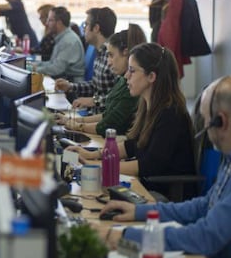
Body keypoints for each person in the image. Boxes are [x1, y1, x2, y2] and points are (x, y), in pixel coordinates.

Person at [99, 76, 231, 258]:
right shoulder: (228, 160)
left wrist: (124, 236)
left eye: (206, 123)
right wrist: (139, 211)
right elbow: (203, 205)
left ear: (222, 122)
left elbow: (205, 237)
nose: (205, 132)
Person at [67, 43, 196, 198]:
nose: (126, 76)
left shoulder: (170, 114)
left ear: (151, 77)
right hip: (144, 184)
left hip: (161, 194)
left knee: (93, 199)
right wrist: (91, 154)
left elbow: (148, 165)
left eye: (132, 71)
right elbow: (133, 146)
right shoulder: (149, 106)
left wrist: (99, 166)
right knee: (69, 164)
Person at [56, 24, 146, 137]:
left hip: (111, 138)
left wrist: (77, 126)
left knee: (69, 150)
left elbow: (109, 124)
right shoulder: (121, 80)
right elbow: (107, 115)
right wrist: (75, 121)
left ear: (125, 53)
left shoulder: (131, 87)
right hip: (106, 134)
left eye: (111, 55)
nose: (108, 62)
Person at [55, 7, 118, 108]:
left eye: (86, 25)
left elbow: (119, 99)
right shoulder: (100, 53)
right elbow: (95, 85)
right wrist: (70, 86)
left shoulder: (113, 57)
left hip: (102, 119)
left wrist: (94, 101)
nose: (84, 29)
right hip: (93, 114)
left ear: (96, 28)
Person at [32, 6, 85, 82]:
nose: (46, 23)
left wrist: (34, 69)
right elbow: (52, 63)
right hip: (63, 80)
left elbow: (56, 69)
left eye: (50, 20)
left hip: (70, 85)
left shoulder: (68, 41)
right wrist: (35, 65)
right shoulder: (62, 38)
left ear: (59, 23)